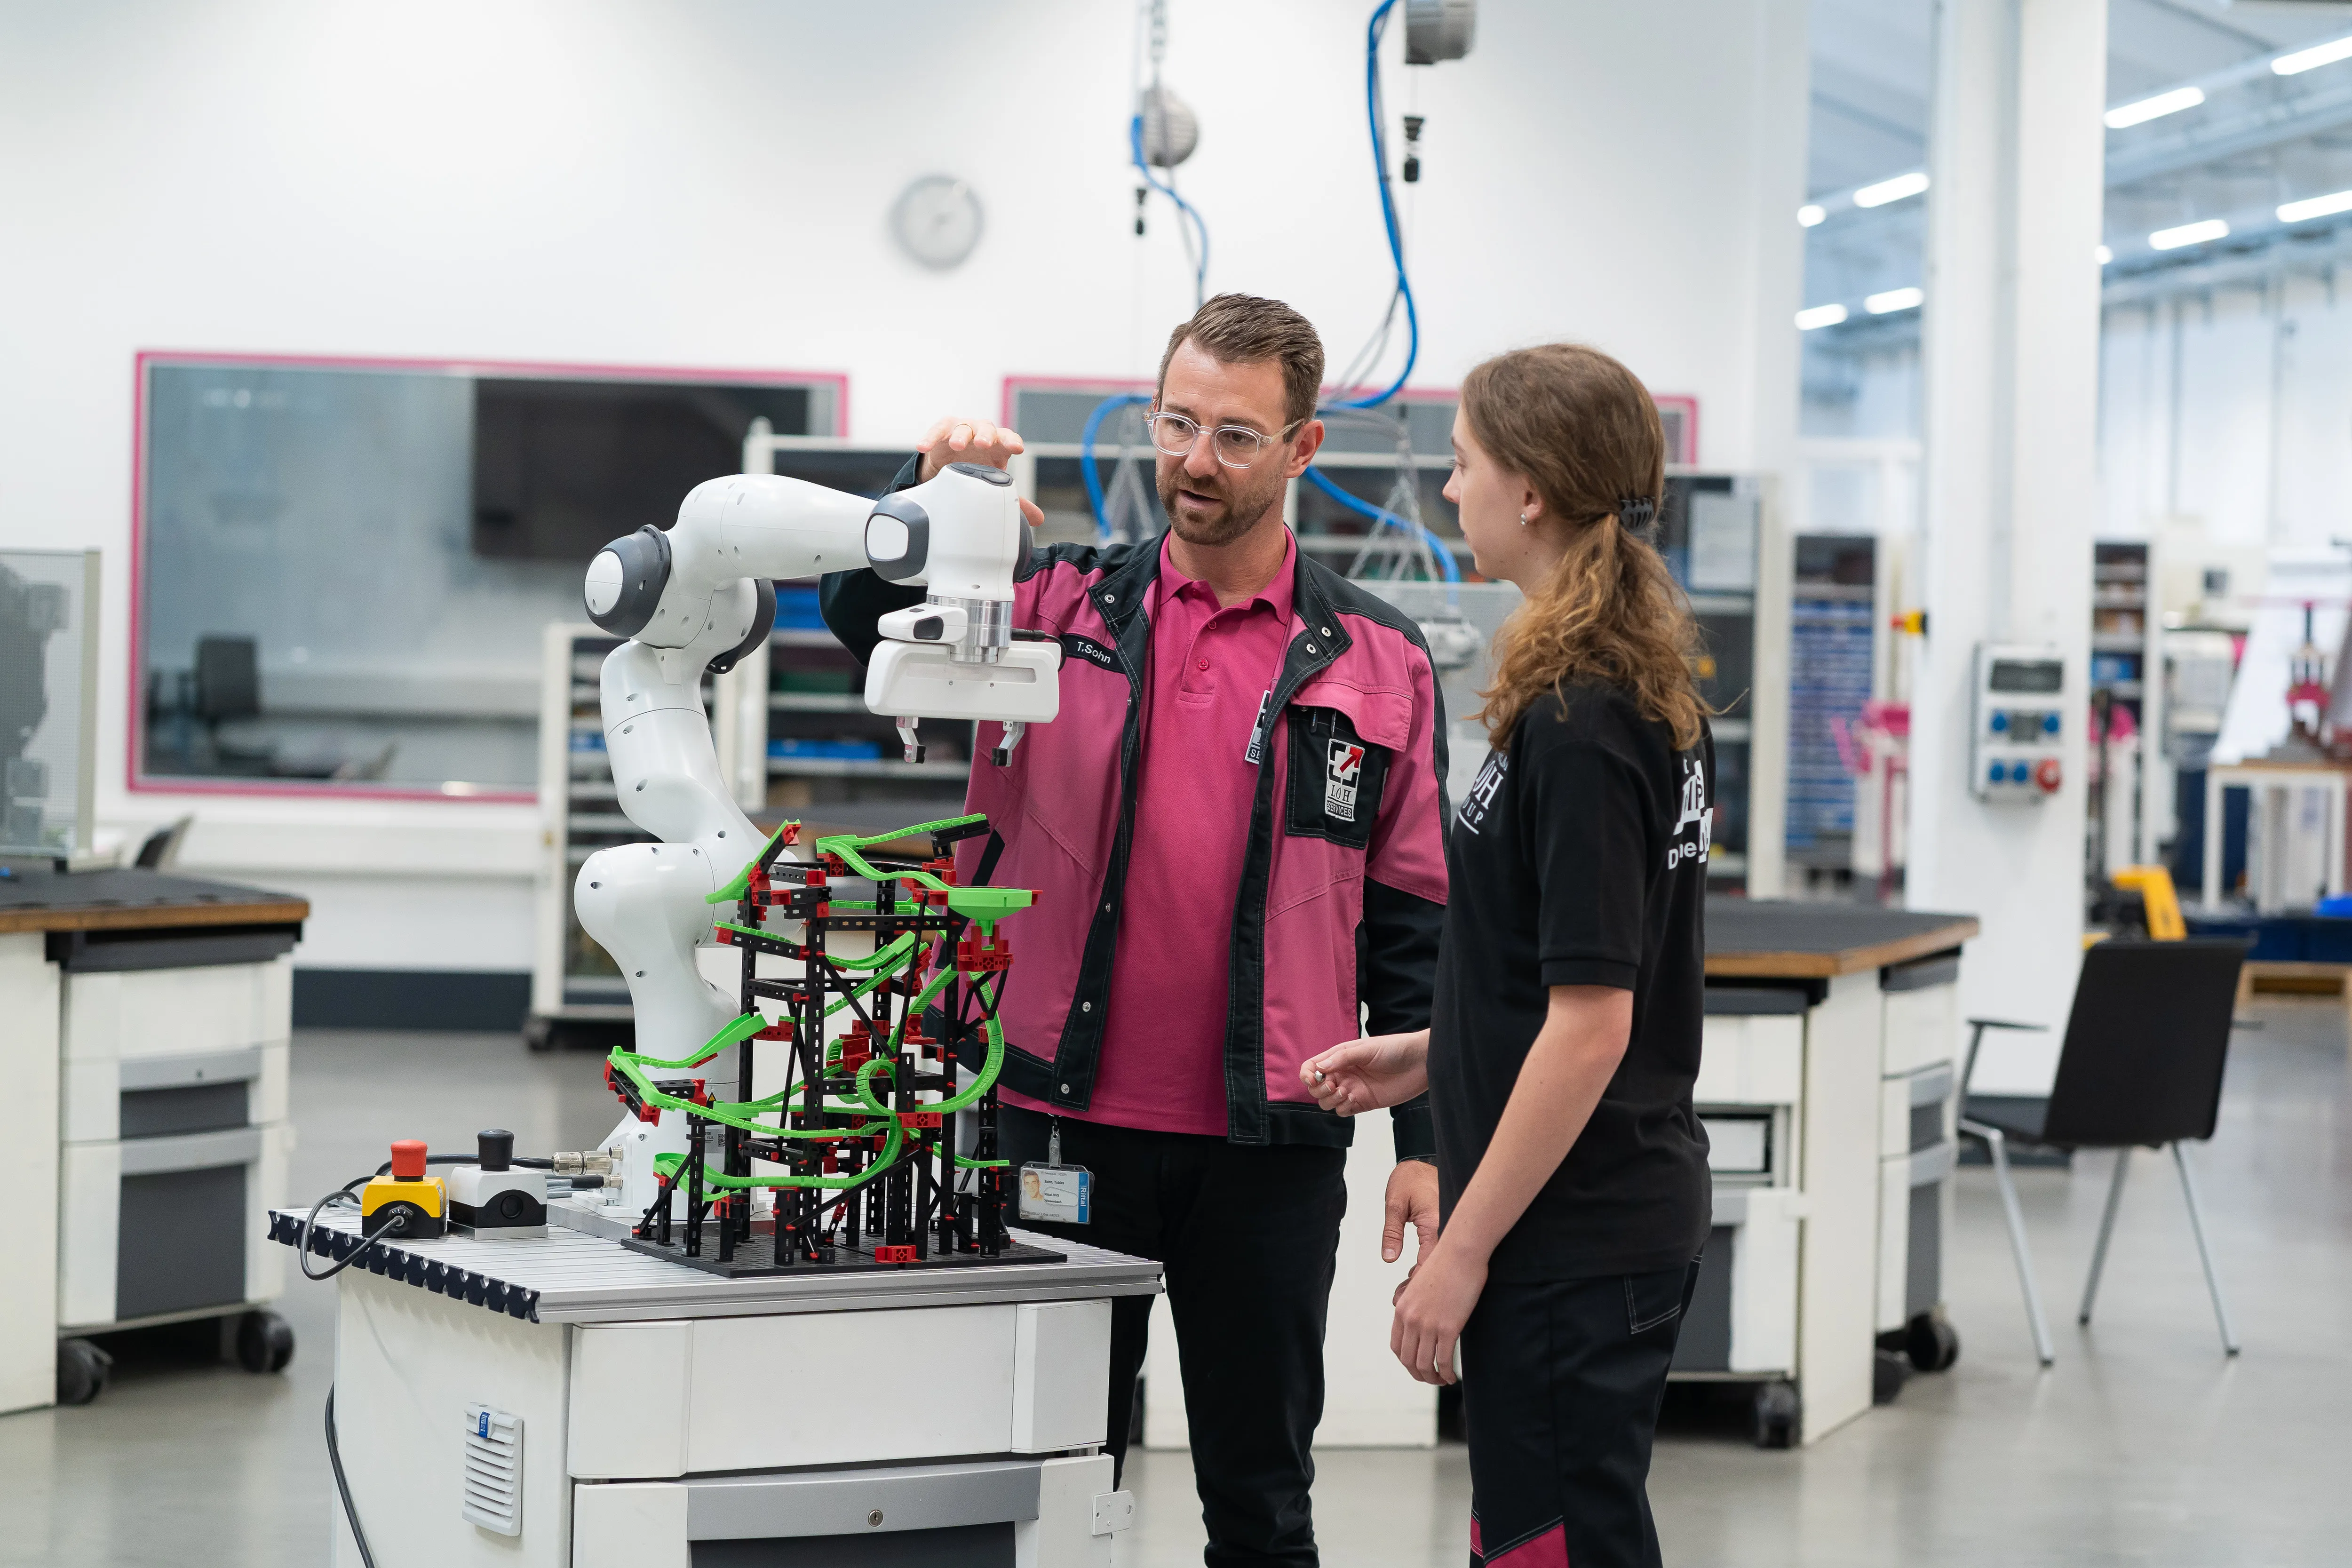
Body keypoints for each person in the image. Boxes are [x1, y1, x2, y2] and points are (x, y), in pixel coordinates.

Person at [821, 294, 1452, 1567]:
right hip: (1059, 1120)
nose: (1195, 459)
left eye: (1233, 433)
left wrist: (1425, 1143)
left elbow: (1413, 926)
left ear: (1302, 448)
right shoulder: (1046, 603)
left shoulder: (1379, 662)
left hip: (1269, 1139)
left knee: (1262, 1498)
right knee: (1049, 1478)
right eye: (1176, 422)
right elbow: (850, 617)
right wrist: (925, 496)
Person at [1299, 343, 1713, 1568]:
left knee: (1553, 1545)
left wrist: (1462, 1251)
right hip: (1572, 1213)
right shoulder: (1607, 684)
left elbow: (1594, 1022)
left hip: (1569, 1231)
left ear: (1531, 490)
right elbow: (1560, 971)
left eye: (1466, 466)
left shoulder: (1589, 715)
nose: (1448, 495)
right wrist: (1434, 1054)